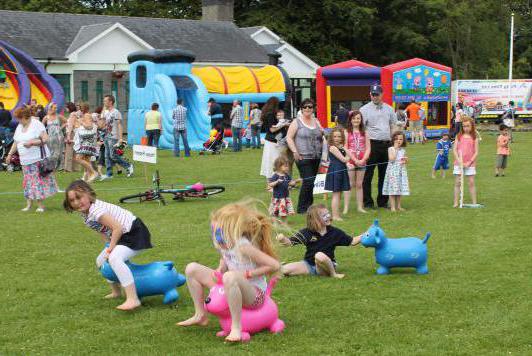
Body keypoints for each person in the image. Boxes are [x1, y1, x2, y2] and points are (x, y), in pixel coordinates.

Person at [177, 200, 280, 343]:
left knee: (230, 276)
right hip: (229, 284)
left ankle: (236, 328)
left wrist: (248, 274)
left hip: (254, 294)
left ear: (231, 230)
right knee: (192, 269)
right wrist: (220, 269)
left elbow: (274, 265)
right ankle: (200, 314)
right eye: (213, 231)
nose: (215, 236)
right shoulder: (224, 245)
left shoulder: (243, 246)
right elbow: (225, 259)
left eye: (218, 232)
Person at [63, 180, 152, 311]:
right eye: (72, 200)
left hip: (134, 233)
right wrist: (107, 246)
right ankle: (116, 292)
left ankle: (133, 299)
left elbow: (117, 228)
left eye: (79, 197)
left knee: (114, 258)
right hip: (122, 235)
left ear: (89, 194)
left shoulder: (96, 210)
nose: (76, 202)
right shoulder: (86, 214)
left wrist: (111, 248)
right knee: (100, 261)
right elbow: (103, 229)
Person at [276, 204, 362, 278]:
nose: (328, 216)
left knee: (319, 256)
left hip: (326, 266)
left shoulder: (335, 232)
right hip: (309, 265)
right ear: (314, 219)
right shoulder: (306, 232)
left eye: (328, 213)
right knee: (283, 270)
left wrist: (368, 233)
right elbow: (290, 243)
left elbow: (352, 241)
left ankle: (334, 274)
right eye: (324, 215)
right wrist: (282, 239)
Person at [5, 107, 58, 212]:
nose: (18, 121)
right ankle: (28, 205)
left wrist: (32, 143)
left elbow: (46, 139)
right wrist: (9, 154)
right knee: (27, 182)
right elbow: (16, 142)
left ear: (25, 117)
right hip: (25, 160)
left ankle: (40, 206)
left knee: (37, 182)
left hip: (36, 159)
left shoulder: (36, 124)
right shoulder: (20, 126)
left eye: (19, 118)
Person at [360, 84, 397, 209]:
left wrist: (395, 144)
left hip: (386, 144)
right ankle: (367, 202)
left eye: (377, 94)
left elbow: (393, 126)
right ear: (370, 94)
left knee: (385, 174)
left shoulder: (389, 109)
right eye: (372, 94)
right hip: (371, 144)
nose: (374, 96)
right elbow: (362, 129)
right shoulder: (364, 109)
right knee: (368, 174)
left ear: (382, 94)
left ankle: (382, 201)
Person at [287, 99, 324, 214]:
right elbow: (289, 137)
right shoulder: (296, 122)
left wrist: (323, 132)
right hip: (303, 157)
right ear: (301, 109)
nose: (308, 109)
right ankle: (302, 208)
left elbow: (321, 135)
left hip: (316, 156)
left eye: (310, 107)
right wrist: (294, 151)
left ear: (313, 109)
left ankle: (309, 206)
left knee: (312, 182)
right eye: (305, 107)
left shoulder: (316, 121)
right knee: (308, 181)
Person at [100, 95, 133, 180]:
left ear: (110, 102)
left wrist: (120, 138)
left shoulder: (116, 112)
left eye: (105, 101)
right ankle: (109, 174)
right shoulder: (106, 112)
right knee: (107, 156)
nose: (104, 103)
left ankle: (128, 166)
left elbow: (119, 125)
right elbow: (102, 125)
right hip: (106, 136)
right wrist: (103, 112)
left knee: (113, 155)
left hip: (113, 136)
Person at [344, 110, 370, 213]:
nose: (356, 120)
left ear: (361, 120)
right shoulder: (347, 132)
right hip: (351, 161)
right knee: (350, 184)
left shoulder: (365, 132)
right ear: (350, 120)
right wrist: (354, 160)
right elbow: (345, 147)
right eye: (354, 118)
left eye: (358, 118)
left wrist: (363, 159)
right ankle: (346, 208)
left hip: (362, 162)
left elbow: (368, 148)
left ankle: (360, 207)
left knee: (359, 185)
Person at [325, 127, 351, 221]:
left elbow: (348, 154)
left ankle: (337, 214)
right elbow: (344, 159)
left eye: (339, 136)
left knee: (339, 193)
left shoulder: (341, 147)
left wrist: (346, 151)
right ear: (331, 137)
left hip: (341, 170)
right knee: (336, 194)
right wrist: (348, 156)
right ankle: (335, 216)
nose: (337, 138)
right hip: (336, 170)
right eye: (335, 136)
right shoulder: (332, 148)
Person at [453, 116, 479, 207]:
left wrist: (469, 162)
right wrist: (459, 161)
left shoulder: (474, 137)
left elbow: (476, 152)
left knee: (471, 182)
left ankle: (474, 202)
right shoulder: (458, 136)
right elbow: (455, 150)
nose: (466, 128)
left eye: (468, 126)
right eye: (464, 126)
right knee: (457, 182)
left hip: (470, 164)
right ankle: (456, 202)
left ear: (472, 126)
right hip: (458, 163)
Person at [260, 97, 288, 178]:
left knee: (269, 162)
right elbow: (272, 129)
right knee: (274, 162)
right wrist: (283, 124)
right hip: (273, 141)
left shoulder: (266, 113)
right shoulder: (270, 115)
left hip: (270, 140)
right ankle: (272, 182)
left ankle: (271, 182)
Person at [382, 131, 409, 212]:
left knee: (399, 189)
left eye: (400, 139)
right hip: (393, 172)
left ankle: (399, 206)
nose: (398, 141)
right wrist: (396, 149)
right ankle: (393, 207)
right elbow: (392, 159)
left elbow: (404, 160)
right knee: (392, 189)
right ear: (393, 140)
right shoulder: (391, 149)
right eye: (396, 139)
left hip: (400, 172)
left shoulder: (403, 150)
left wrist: (405, 160)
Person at [268, 156, 300, 222]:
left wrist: (296, 181)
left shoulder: (286, 175)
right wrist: (277, 182)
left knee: (284, 211)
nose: (287, 168)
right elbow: (270, 184)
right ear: (279, 166)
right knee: (275, 211)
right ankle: (274, 222)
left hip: (285, 196)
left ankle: (284, 223)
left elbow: (290, 183)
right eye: (285, 166)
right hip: (278, 197)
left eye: (287, 166)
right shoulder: (275, 175)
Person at [74, 113, 98, 182]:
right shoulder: (87, 123)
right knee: (86, 160)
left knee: (78, 158)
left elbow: (87, 129)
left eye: (85, 117)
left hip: (87, 145)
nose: (83, 118)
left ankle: (93, 172)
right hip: (87, 144)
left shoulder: (90, 123)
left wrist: (81, 123)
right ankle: (86, 178)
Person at [42, 102, 65, 171]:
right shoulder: (46, 117)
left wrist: (61, 127)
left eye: (56, 108)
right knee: (51, 151)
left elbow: (66, 122)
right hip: (50, 137)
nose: (56, 109)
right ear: (50, 108)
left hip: (59, 136)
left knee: (59, 151)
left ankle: (60, 166)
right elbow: (41, 126)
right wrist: (44, 134)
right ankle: (52, 165)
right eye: (54, 108)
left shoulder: (59, 116)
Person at [64, 102, 79, 172]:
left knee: (69, 151)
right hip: (74, 133)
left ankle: (68, 168)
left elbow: (71, 126)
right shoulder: (75, 114)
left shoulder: (72, 114)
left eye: (66, 107)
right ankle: (75, 168)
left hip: (71, 133)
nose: (65, 108)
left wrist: (68, 136)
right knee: (74, 151)